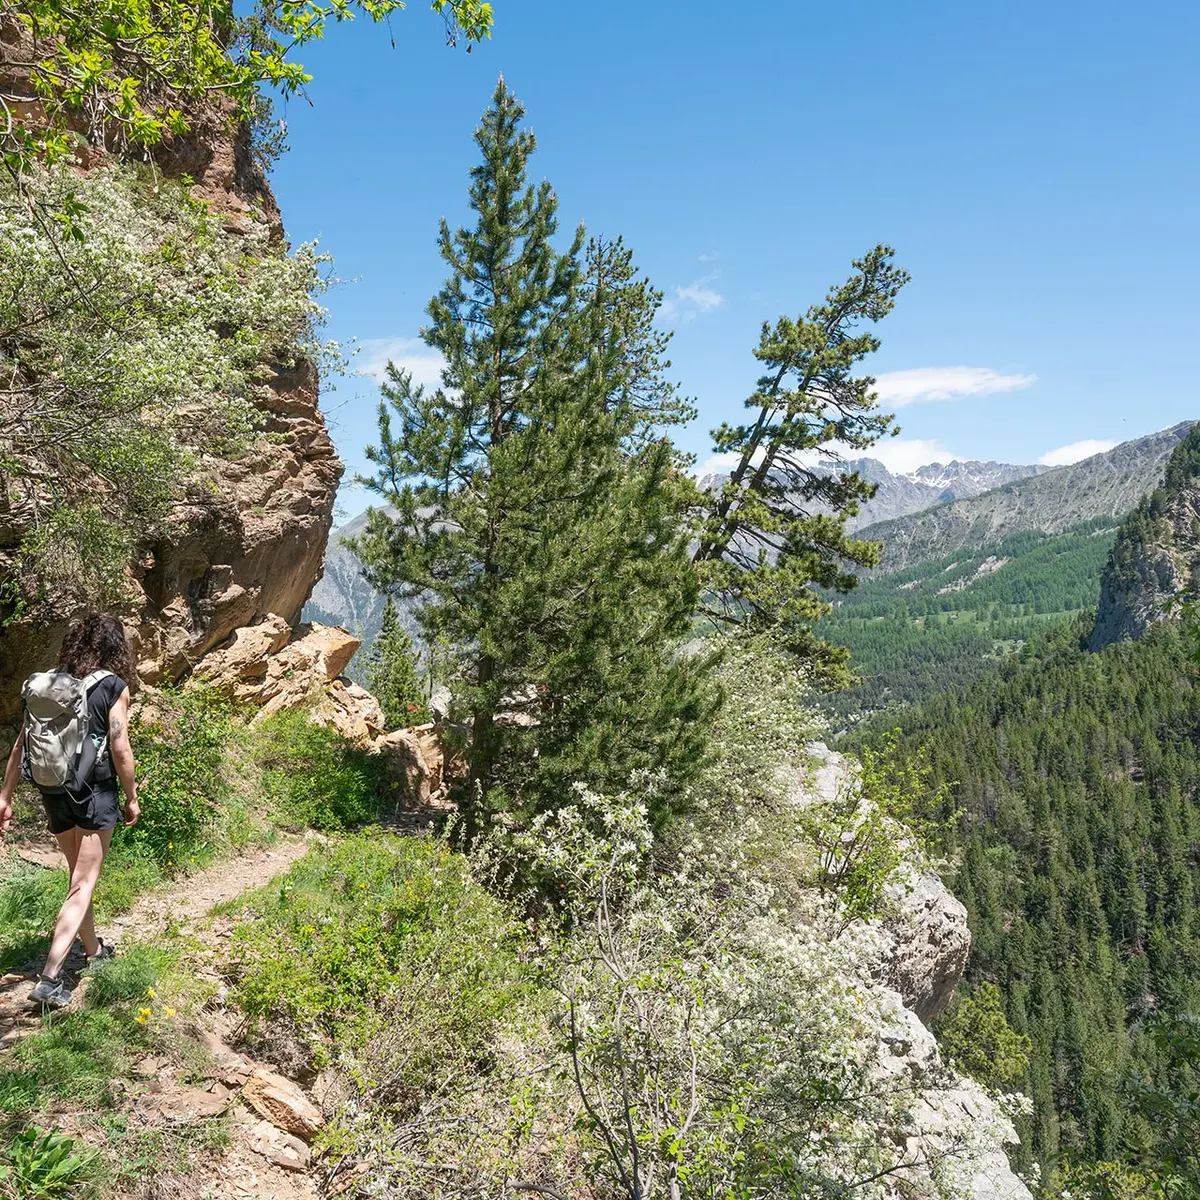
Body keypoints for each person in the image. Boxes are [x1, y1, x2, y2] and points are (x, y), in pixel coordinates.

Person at [0, 614, 140, 1007]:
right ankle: (50, 977)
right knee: (82, 884)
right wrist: (131, 796)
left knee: (79, 879)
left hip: (54, 790)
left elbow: (20, 744)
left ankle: (93, 951)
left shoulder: (50, 684)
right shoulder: (113, 686)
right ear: (114, 648)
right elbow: (119, 746)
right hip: (94, 792)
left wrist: (5, 795)